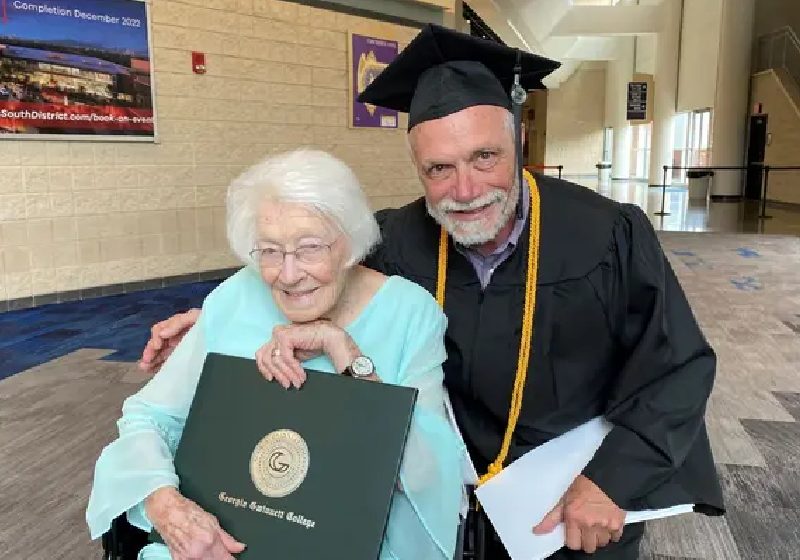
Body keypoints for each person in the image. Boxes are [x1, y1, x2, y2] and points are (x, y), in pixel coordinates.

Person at [139, 25, 725, 560]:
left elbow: (677, 368)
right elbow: (313, 269)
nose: (465, 190)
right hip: (449, 495)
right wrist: (218, 314)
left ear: (518, 142)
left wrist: (612, 482)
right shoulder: (399, 237)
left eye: (484, 157)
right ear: (417, 167)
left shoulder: (606, 235)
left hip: (576, 498)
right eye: (439, 169)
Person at [87, 149, 467, 560]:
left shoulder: (410, 312)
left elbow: (427, 474)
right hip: (222, 542)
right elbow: (149, 417)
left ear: (352, 243)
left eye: (309, 248)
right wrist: (168, 509)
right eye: (269, 251)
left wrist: (343, 349)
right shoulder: (236, 296)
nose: (288, 275)